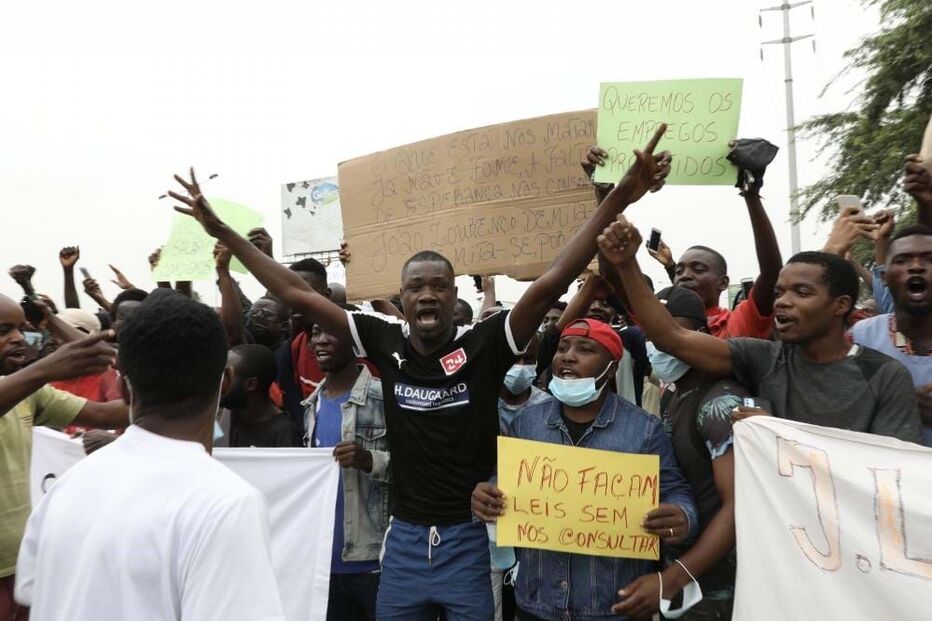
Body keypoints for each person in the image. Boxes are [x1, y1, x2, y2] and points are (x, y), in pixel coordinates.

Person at [168, 124, 671, 619]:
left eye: (439, 285)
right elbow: (297, 293)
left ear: (455, 296)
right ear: (402, 298)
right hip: (404, 542)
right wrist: (225, 235)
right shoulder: (381, 338)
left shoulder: (487, 342)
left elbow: (555, 276)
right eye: (416, 287)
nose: (428, 294)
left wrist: (623, 193)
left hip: (469, 541)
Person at [14, 290, 284, 621]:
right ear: (225, 381)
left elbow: (30, 595)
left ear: (125, 389)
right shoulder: (225, 503)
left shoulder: (65, 487)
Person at [596, 215, 921, 443]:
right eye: (779, 293)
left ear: (841, 305)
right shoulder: (762, 357)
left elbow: (888, 474)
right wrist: (627, 264)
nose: (783, 302)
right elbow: (671, 337)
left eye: (802, 293)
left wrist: (778, 433)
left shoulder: (884, 376)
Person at [472, 318, 697, 621]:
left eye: (585, 349)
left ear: (611, 368)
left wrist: (681, 515)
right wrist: (489, 493)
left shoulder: (644, 431)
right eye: (563, 347)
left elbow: (676, 491)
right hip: (538, 603)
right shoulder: (527, 423)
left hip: (612, 606)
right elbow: (505, 478)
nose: (568, 355)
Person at [614, 286, 747, 620]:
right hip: (683, 568)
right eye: (651, 332)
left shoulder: (720, 404)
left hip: (717, 582)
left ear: (697, 335)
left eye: (667, 331)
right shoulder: (672, 392)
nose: (657, 343)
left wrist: (671, 579)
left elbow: (738, 506)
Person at [0, 293, 129, 620]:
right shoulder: (32, 380)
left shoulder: (30, 391)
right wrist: (44, 369)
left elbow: (110, 414)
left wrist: (179, 385)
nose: (17, 338)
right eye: (3, 330)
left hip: (19, 567)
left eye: (21, 328)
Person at [584, 141, 783, 339]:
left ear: (723, 283)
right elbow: (611, 271)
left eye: (698, 269)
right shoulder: (657, 318)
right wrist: (604, 192)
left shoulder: (738, 323)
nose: (684, 276)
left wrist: (751, 194)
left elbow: (771, 273)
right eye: (678, 271)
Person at [302, 323, 390, 621]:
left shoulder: (383, 397)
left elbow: (416, 469)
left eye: (331, 331)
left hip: (373, 560)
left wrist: (369, 460)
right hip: (325, 561)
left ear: (355, 341)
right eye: (315, 333)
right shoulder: (310, 406)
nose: (321, 340)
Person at [849, 225, 932, 446]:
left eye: (929, 259)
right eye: (903, 260)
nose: (916, 267)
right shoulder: (859, 338)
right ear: (884, 277)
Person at [492, 334, 550, 621]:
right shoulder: (478, 404)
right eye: (515, 359)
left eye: (530, 361)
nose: (521, 367)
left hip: (535, 527)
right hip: (487, 527)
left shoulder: (550, 409)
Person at [221, 344, 301, 448]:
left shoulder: (284, 434)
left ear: (251, 384)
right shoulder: (231, 417)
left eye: (227, 376)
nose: (220, 383)